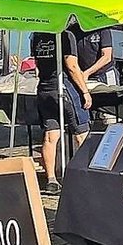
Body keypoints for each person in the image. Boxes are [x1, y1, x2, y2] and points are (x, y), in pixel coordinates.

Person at [31, 27, 91, 193]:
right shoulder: (65, 35)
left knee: (50, 135)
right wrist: (85, 91)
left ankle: (51, 179)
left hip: (44, 89)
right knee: (81, 134)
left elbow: (37, 65)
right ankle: (85, 177)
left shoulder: (37, 35)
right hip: (65, 88)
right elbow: (72, 65)